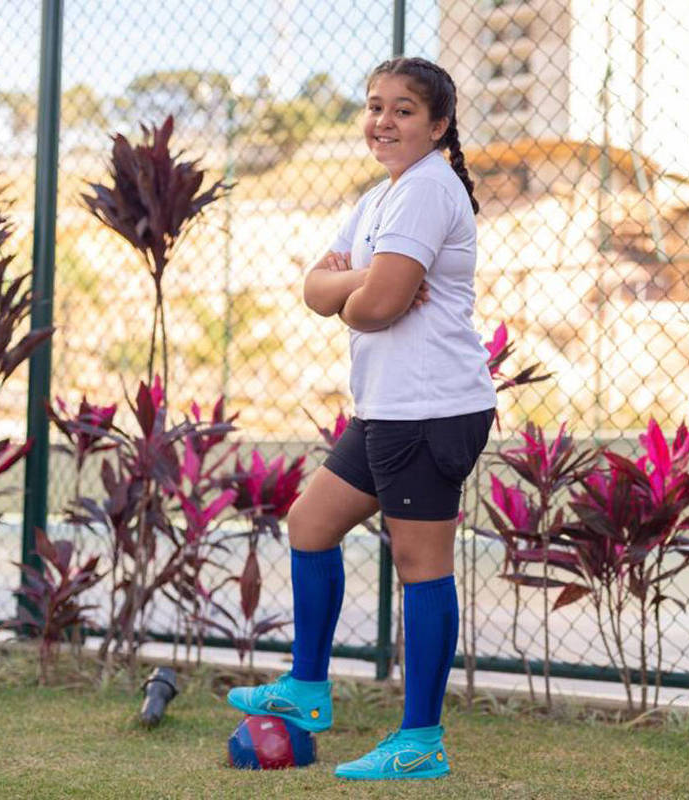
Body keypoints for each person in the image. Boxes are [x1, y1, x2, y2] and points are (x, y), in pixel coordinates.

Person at [226, 56, 495, 782]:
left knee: (420, 566)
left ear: (438, 125)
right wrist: (358, 286)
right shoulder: (384, 195)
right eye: (375, 106)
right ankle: (309, 691)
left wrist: (358, 292)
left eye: (403, 110)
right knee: (310, 525)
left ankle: (420, 742)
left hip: (432, 408)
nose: (383, 121)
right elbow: (324, 291)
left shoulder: (428, 192)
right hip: (386, 408)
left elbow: (375, 308)